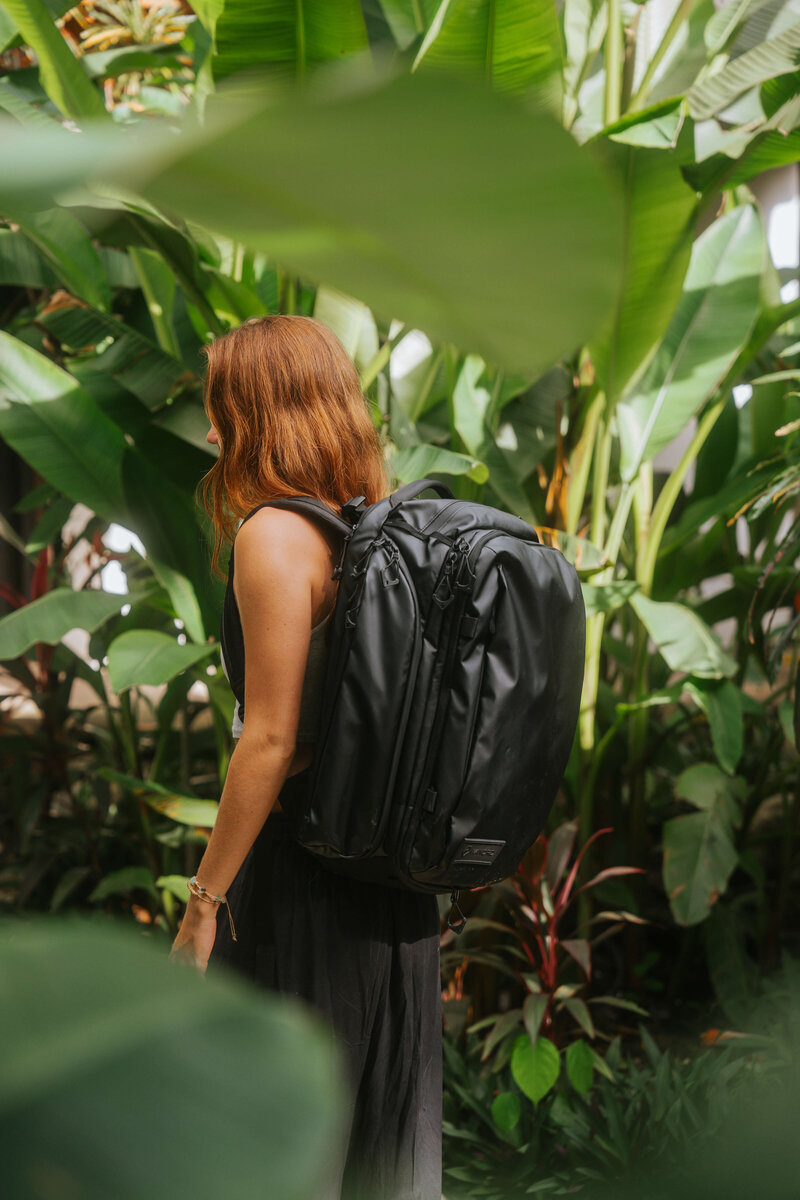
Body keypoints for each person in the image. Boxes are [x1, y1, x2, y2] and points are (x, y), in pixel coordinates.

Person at [168, 315, 443, 1200]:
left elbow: (274, 740)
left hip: (303, 889)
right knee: (372, 1149)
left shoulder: (274, 537)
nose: (212, 432)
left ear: (256, 412)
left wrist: (203, 904)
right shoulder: (378, 534)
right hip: (390, 894)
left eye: (220, 407)